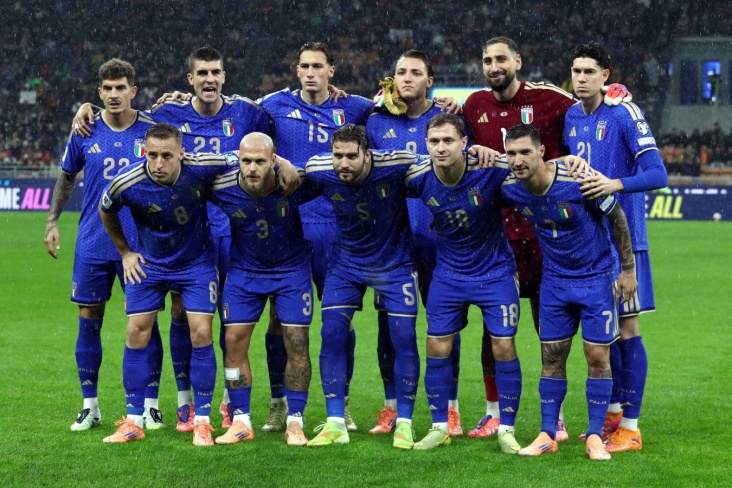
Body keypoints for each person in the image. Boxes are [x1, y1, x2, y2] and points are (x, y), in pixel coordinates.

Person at [73, 47, 272, 432]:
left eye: (215, 72)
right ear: (190, 79)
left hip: (234, 231)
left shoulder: (247, 111)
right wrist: (87, 108)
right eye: (202, 73)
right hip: (188, 235)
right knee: (183, 318)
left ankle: (229, 402)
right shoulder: (168, 113)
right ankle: (185, 404)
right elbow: (124, 112)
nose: (209, 79)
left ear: (224, 76)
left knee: (230, 324)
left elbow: (275, 127)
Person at [461, 36, 630, 440]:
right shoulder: (472, 105)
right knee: (494, 327)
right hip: (499, 236)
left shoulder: (550, 98)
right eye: (487, 60)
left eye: (501, 59)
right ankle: (492, 411)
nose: (494, 66)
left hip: (546, 237)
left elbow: (590, 100)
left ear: (517, 61)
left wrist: (615, 93)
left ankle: (561, 417)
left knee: (550, 330)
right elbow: (456, 142)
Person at [499, 123, 637, 461]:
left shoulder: (578, 180)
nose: (517, 160)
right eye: (511, 153)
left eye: (525, 152)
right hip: (555, 282)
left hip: (596, 278)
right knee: (551, 357)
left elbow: (617, 217)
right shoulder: (511, 187)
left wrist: (628, 270)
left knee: (597, 356)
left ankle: (595, 435)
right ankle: (548, 433)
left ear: (541, 152)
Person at [256, 42, 374, 432]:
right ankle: (279, 403)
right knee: (280, 318)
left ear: (331, 71)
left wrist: (445, 102)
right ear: (297, 70)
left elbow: (397, 108)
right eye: (304, 66)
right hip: (287, 225)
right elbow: (231, 110)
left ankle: (342, 404)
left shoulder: (354, 107)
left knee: (339, 318)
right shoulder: (273, 105)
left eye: (318, 66)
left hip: (336, 227)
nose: (310, 72)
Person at [44, 58, 165, 432]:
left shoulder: (151, 130)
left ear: (133, 91)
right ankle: (90, 406)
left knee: (145, 324)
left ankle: (151, 405)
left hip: (139, 246)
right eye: (107, 88)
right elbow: (67, 176)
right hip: (93, 243)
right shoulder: (85, 129)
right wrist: (52, 221)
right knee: (88, 324)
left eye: (120, 87)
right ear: (99, 93)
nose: (114, 94)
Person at [97, 123, 232, 446]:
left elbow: (242, 158)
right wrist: (125, 252)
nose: (158, 163)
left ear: (181, 154)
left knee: (201, 332)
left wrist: (282, 163)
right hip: (150, 264)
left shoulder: (201, 167)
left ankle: (202, 422)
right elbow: (106, 210)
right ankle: (133, 421)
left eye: (167, 156)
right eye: (152, 155)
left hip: (196, 263)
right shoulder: (127, 182)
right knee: (135, 331)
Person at [564, 42, 667, 453]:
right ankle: (612, 417)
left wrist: (615, 183)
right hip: (589, 245)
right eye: (576, 71)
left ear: (606, 75)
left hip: (625, 242)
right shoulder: (571, 115)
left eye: (589, 71)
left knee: (628, 330)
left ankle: (631, 427)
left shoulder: (624, 113)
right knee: (603, 337)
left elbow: (657, 173)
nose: (581, 78)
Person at [405, 114, 522, 453]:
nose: (441, 148)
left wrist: (569, 162)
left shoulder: (489, 167)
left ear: (464, 143)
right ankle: (440, 426)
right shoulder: (417, 175)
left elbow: (531, 167)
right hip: (449, 275)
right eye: (434, 141)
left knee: (503, 346)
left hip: (495, 272)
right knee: (436, 345)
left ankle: (506, 428)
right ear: (426, 144)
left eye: (448, 141)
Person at [365, 50, 465, 436]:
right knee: (389, 326)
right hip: (393, 244)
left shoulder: (447, 120)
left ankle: (451, 408)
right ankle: (391, 406)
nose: (407, 78)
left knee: (445, 325)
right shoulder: (375, 121)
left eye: (416, 72)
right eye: (401, 71)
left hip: (440, 243)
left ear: (430, 81)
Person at [304, 124, 420, 449]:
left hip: (394, 264)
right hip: (346, 265)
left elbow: (438, 167)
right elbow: (291, 176)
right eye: (337, 156)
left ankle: (405, 423)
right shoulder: (319, 169)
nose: (343, 164)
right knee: (331, 333)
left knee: (404, 337)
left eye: (351, 157)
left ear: (367, 155)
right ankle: (335, 423)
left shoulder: (397, 164)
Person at [208, 133, 316, 446]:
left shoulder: (294, 183)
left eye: (260, 161)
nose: (252, 168)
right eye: (246, 161)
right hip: (245, 272)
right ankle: (240, 420)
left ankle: (295, 421)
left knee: (297, 342)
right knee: (233, 341)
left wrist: (290, 166)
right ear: (238, 161)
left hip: (291, 271)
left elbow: (335, 173)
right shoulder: (222, 187)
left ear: (273, 161)